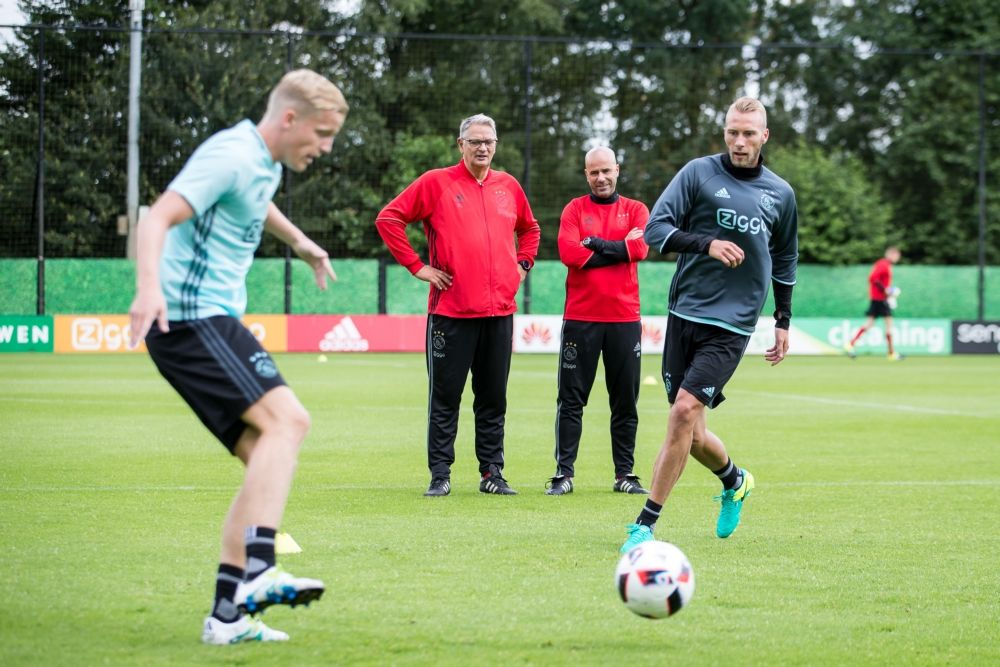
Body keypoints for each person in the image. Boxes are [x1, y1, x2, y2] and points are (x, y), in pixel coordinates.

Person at [127, 69, 349, 644]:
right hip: (190, 317)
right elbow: (158, 216)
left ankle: (227, 617)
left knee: (264, 462)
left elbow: (256, 202)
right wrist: (148, 288)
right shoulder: (231, 153)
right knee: (290, 421)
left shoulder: (263, 163)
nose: (324, 148)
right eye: (322, 134)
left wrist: (299, 242)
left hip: (205, 320)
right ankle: (258, 571)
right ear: (290, 118)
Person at [620, 97, 798, 553]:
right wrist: (706, 244)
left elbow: (785, 258)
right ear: (725, 133)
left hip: (733, 325)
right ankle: (735, 480)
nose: (740, 141)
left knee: (682, 412)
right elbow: (655, 229)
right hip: (685, 315)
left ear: (765, 136)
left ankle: (645, 524)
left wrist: (783, 319)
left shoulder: (781, 194)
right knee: (692, 433)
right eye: (733, 132)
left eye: (749, 133)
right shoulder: (698, 173)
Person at [375, 113, 541, 497]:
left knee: (493, 398)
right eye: (475, 141)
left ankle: (492, 473)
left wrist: (522, 265)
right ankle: (440, 474)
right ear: (460, 145)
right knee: (445, 397)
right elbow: (389, 218)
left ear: (496, 145)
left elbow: (530, 229)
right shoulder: (436, 183)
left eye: (489, 142)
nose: (482, 148)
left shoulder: (509, 186)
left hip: (499, 312)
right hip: (450, 313)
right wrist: (417, 267)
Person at [545, 146, 651, 496]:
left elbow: (641, 249)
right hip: (581, 318)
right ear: (586, 174)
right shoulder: (575, 208)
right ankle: (564, 474)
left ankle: (625, 474)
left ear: (617, 170)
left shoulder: (636, 209)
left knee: (625, 401)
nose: (601, 178)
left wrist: (596, 244)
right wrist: (619, 249)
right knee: (571, 399)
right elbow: (568, 253)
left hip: (624, 319)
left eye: (606, 171)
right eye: (594, 173)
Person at [844, 246, 903, 360]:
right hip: (880, 299)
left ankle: (850, 344)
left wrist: (888, 291)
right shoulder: (883, 264)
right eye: (897, 256)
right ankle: (891, 353)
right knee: (889, 325)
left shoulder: (885, 264)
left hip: (878, 299)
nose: (897, 258)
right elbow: (873, 278)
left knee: (869, 323)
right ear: (891, 254)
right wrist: (885, 290)